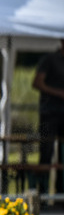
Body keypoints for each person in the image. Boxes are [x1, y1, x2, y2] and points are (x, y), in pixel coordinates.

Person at [32, 40, 64, 193]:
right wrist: (58, 93)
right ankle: (42, 193)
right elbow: (37, 82)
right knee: (46, 153)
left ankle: (60, 193)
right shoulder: (50, 59)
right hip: (49, 114)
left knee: (62, 156)